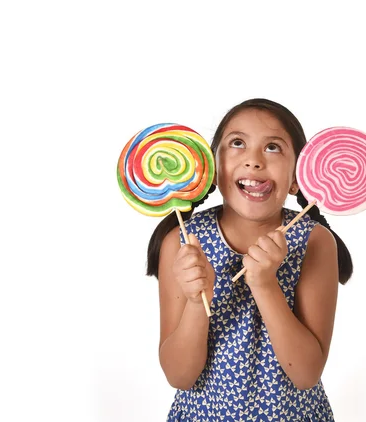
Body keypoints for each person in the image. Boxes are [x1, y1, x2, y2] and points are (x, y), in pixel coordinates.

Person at [146, 98, 353, 421]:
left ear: (299, 176)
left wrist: (265, 284)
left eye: (273, 147)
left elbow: (306, 374)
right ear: (213, 168)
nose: (253, 161)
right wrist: (195, 301)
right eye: (237, 143)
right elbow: (179, 376)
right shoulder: (183, 242)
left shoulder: (314, 241)